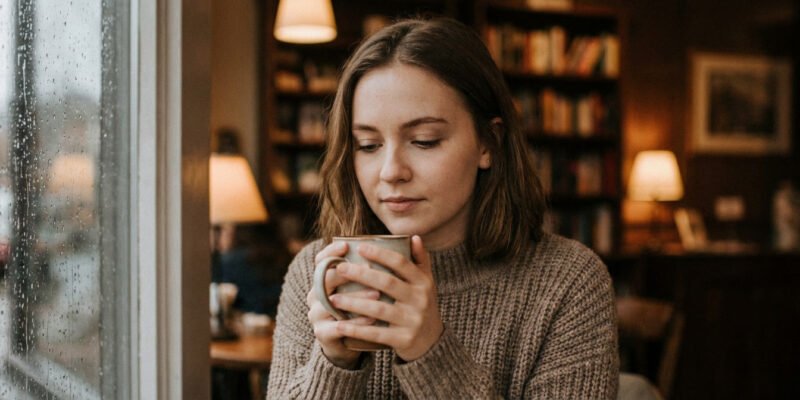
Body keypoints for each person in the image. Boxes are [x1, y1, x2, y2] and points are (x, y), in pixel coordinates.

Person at [267, 17, 618, 399]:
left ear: (488, 143)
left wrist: (430, 352)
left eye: (424, 140)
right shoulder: (316, 272)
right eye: (368, 145)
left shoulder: (568, 283)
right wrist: (333, 363)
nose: (391, 172)